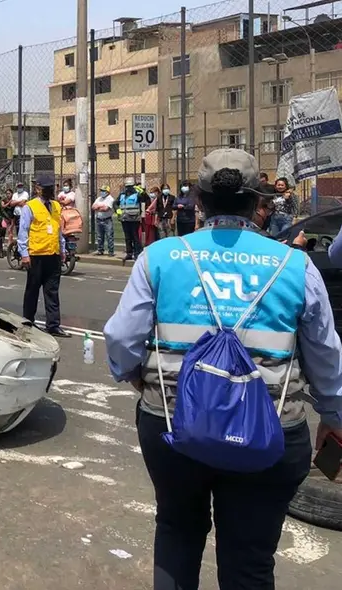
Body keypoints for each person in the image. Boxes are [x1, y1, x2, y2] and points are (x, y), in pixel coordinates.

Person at [103, 148, 342, 589]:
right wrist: (332, 414)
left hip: (173, 423)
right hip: (269, 432)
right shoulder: (295, 264)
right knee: (249, 561)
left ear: (198, 201)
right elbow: (325, 351)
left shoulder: (159, 258)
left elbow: (121, 340)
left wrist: (134, 374)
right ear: (258, 204)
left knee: (177, 532)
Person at [17, 180, 68, 338]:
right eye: (45, 189)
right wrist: (24, 254)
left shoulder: (56, 206)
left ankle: (53, 325)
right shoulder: (30, 207)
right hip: (36, 255)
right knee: (32, 290)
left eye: (50, 189)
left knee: (52, 291)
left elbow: (58, 230)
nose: (48, 192)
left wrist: (62, 249)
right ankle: (28, 322)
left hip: (52, 254)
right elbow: (23, 231)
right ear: (38, 189)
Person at [118, 178, 144, 260]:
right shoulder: (122, 195)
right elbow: (115, 203)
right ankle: (129, 253)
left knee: (135, 236)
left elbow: (145, 199)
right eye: (127, 186)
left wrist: (143, 192)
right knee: (127, 237)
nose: (128, 188)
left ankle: (137, 253)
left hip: (134, 219)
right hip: (124, 219)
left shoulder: (137, 194)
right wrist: (117, 209)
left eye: (130, 186)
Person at [92, 184, 115, 256]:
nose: (102, 192)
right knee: (99, 236)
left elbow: (106, 209)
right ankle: (100, 250)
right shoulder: (99, 198)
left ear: (108, 192)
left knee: (109, 236)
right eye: (101, 190)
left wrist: (98, 207)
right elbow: (93, 207)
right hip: (99, 219)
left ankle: (111, 251)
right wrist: (101, 206)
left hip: (107, 220)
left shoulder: (110, 199)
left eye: (103, 191)